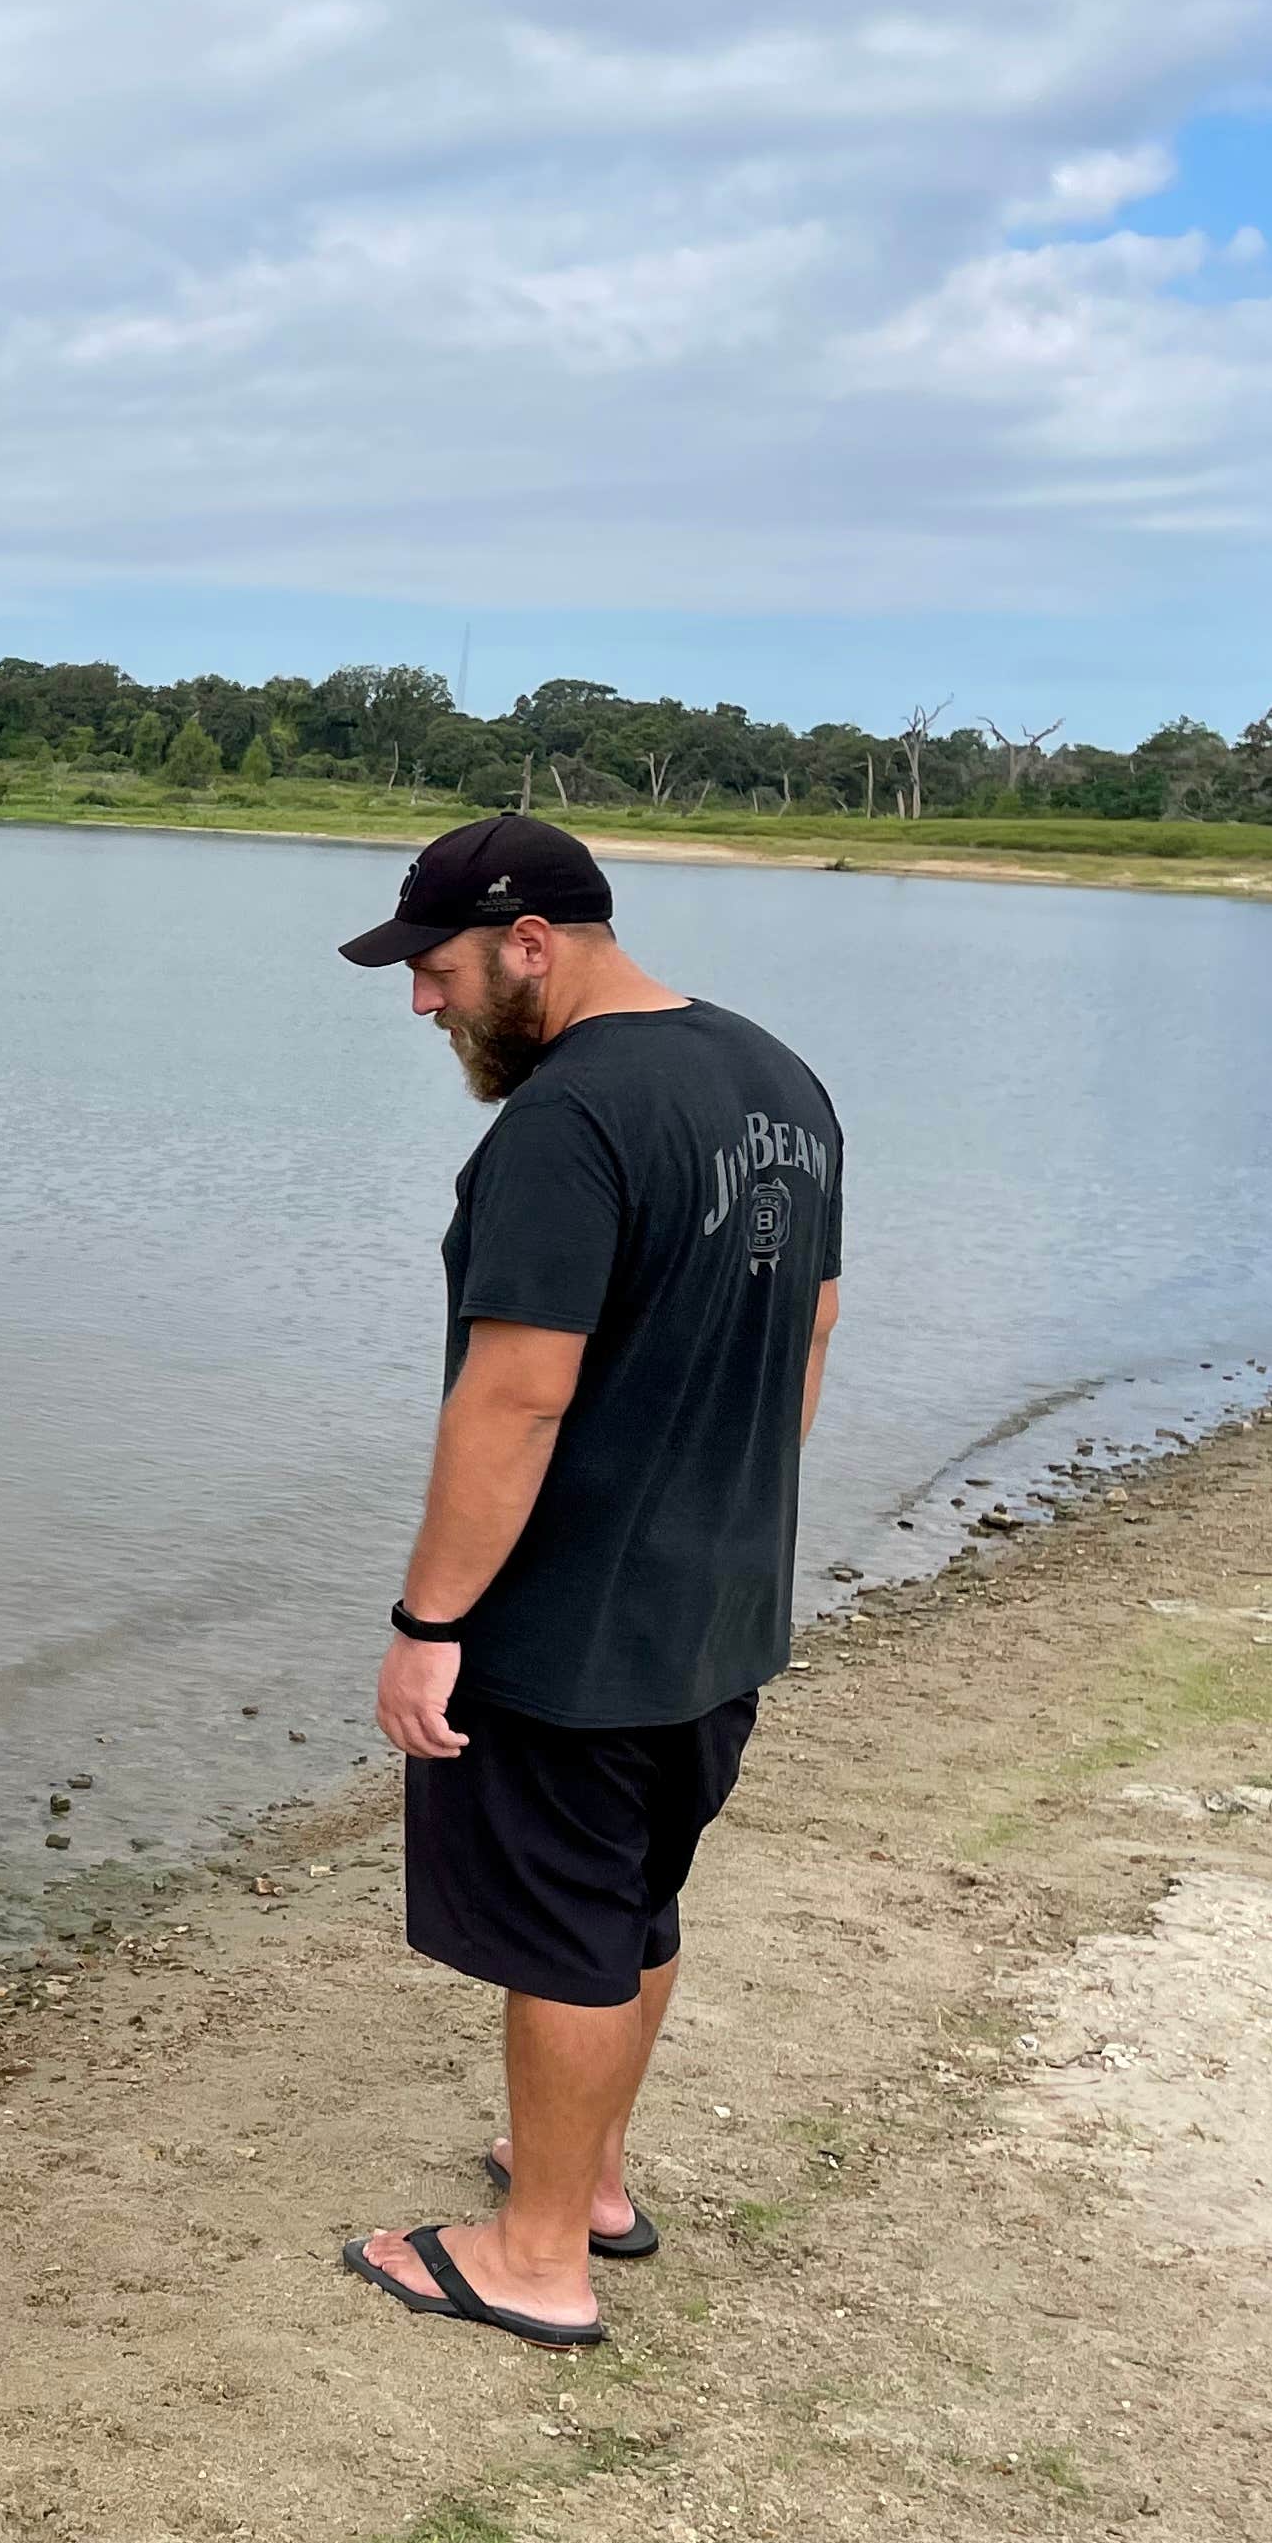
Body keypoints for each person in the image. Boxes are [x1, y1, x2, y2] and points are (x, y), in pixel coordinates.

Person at [327, 814, 842, 2349]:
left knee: (564, 1925)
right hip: (719, 1601)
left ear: (529, 942)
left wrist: (430, 1626)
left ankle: (536, 2255)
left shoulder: (566, 1123)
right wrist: (722, 1515)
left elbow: (516, 1399)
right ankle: (591, 2179)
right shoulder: (775, 1079)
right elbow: (808, 1328)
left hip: (572, 1626)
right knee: (632, 1903)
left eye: (435, 969)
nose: (424, 1004)